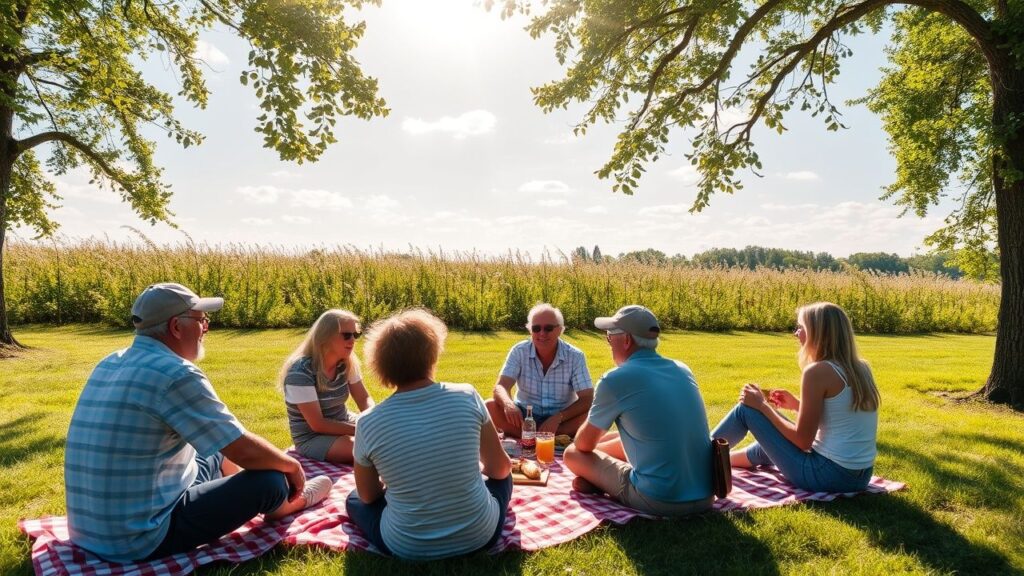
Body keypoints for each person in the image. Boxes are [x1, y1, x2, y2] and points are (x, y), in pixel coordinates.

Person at [64, 283, 333, 563]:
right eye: (201, 320)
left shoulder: (109, 362)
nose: (207, 328)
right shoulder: (176, 373)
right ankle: (289, 501)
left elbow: (226, 441)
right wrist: (292, 466)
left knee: (213, 446)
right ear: (176, 328)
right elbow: (243, 450)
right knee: (270, 479)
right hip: (140, 539)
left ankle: (251, 496)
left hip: (88, 532)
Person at [345, 308, 512, 561]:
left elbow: (368, 495)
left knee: (354, 499)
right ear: (432, 354)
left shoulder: (368, 422)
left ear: (380, 366)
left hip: (407, 546)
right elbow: (499, 469)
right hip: (480, 535)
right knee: (504, 479)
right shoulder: (467, 396)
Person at [711, 302, 880, 493]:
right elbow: (840, 417)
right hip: (859, 476)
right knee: (767, 441)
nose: (796, 333)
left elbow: (803, 441)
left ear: (818, 332)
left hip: (828, 475)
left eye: (801, 327)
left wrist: (762, 407)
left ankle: (696, 462)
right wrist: (795, 405)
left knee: (746, 410)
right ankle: (718, 461)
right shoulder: (861, 368)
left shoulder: (817, 372)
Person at [564, 305, 714, 516]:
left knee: (572, 454)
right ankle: (597, 480)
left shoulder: (615, 379)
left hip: (658, 500)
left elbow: (583, 445)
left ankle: (598, 481)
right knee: (627, 436)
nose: (609, 343)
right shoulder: (683, 369)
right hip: (707, 495)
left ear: (626, 340)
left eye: (609, 337)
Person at [279, 309, 375, 463]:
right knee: (371, 451)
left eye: (355, 335)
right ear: (325, 336)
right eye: (346, 335)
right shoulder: (300, 372)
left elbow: (364, 398)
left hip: (343, 421)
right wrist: (362, 429)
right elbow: (318, 424)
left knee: (391, 438)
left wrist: (374, 420)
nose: (353, 340)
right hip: (312, 437)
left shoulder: (347, 362)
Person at [485, 303, 593, 438]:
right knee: (489, 406)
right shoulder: (519, 351)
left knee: (594, 414)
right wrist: (509, 405)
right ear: (530, 330)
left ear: (560, 330)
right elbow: (501, 386)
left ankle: (530, 437)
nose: (542, 333)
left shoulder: (575, 356)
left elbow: (587, 398)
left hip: (562, 419)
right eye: (536, 328)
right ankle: (546, 437)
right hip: (524, 417)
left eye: (548, 328)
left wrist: (559, 417)